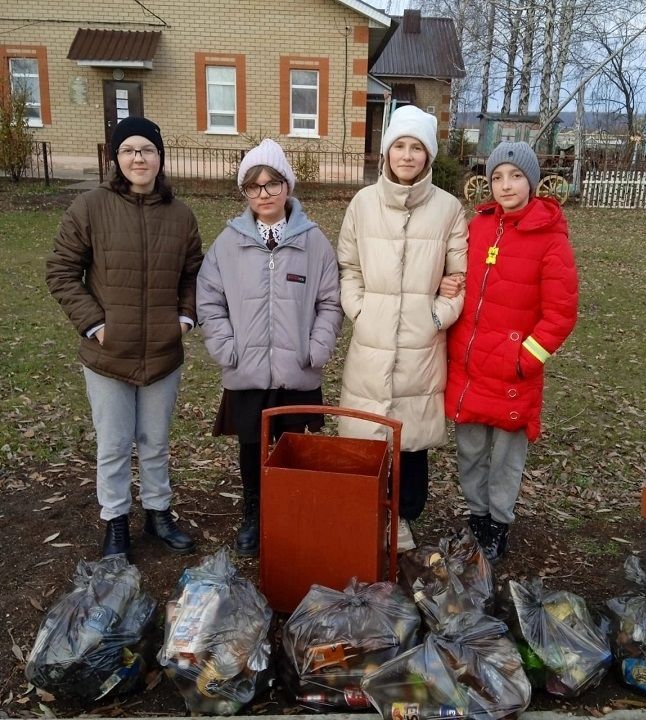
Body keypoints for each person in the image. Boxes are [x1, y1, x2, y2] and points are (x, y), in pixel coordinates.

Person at [46, 116, 203, 559]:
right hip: (107, 355)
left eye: (148, 150)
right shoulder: (91, 207)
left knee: (154, 441)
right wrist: (96, 325)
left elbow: (195, 273)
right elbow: (60, 271)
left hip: (162, 355)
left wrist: (185, 318)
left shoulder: (180, 215)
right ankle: (115, 521)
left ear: (160, 158)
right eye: (130, 150)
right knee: (114, 444)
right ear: (116, 157)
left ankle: (157, 514)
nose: (139, 158)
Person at [196, 138, 343, 557]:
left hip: (297, 367)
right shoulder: (229, 242)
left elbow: (330, 301)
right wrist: (225, 346)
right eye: (253, 186)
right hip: (248, 368)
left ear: (288, 187)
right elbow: (209, 297)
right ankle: (254, 514)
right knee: (251, 446)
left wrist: (317, 347)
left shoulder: (313, 242)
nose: (263, 194)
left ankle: (291, 511)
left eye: (272, 184)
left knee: (293, 445)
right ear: (245, 193)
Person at [336, 105, 468, 552]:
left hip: (421, 344)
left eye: (417, 147)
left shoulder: (448, 209)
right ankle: (365, 513)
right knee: (366, 437)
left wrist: (436, 316)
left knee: (410, 443)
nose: (407, 155)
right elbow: (348, 266)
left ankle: (404, 518)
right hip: (371, 341)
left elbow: (458, 278)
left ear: (428, 156)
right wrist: (359, 310)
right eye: (399, 146)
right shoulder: (362, 204)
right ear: (387, 151)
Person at [444, 141, 579, 564]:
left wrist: (526, 358)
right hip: (468, 368)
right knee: (469, 450)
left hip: (512, 376)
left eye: (516, 176)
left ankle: (499, 524)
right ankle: (477, 517)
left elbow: (561, 312)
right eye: (498, 177)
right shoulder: (479, 226)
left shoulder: (550, 238)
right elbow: (459, 276)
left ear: (532, 182)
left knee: (505, 458)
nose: (506, 185)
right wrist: (447, 287)